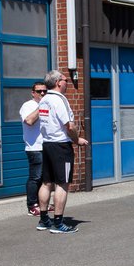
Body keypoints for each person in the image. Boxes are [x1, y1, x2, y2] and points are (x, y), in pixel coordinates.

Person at [35, 70, 88, 233]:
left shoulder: (43, 100)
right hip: (60, 146)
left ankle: (44, 219)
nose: (67, 82)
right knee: (62, 183)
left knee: (46, 182)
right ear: (58, 82)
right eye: (65, 80)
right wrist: (76, 139)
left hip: (47, 144)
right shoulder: (59, 100)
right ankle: (58, 223)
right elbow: (69, 125)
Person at [19, 81, 48, 215]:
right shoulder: (28, 105)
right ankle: (32, 205)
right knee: (35, 177)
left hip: (46, 146)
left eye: (44, 91)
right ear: (33, 93)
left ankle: (42, 204)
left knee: (44, 178)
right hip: (34, 147)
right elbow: (29, 121)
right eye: (39, 91)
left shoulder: (47, 105)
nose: (42, 93)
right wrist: (41, 106)